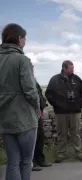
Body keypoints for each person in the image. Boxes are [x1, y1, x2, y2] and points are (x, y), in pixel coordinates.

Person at [0, 23, 40, 180]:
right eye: (25, 38)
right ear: (19, 38)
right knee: (25, 161)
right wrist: (37, 110)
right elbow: (31, 91)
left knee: (12, 161)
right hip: (25, 118)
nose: (25, 42)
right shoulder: (22, 60)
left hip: (5, 119)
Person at [45, 60, 82, 163]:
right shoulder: (55, 80)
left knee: (75, 133)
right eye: (71, 68)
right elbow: (49, 94)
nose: (73, 70)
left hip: (75, 112)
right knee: (62, 134)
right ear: (64, 68)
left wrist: (80, 105)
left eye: (73, 68)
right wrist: (58, 105)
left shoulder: (77, 79)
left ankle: (79, 152)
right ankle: (61, 154)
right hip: (61, 113)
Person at [31, 64, 52, 171]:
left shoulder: (33, 79)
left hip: (38, 112)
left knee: (40, 137)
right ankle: (31, 162)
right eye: (31, 66)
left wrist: (42, 105)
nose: (33, 67)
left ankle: (40, 159)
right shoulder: (27, 79)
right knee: (31, 138)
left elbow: (38, 94)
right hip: (30, 113)